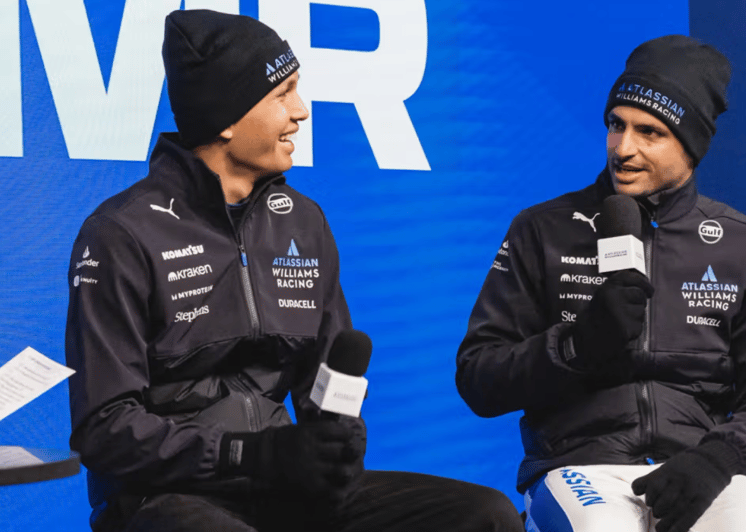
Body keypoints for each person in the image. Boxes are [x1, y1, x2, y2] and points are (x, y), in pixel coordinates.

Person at [65, 9, 523, 532]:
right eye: (283, 93)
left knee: (483, 516)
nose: (301, 111)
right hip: (167, 500)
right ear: (226, 118)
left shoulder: (303, 223)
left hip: (285, 491)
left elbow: (322, 383)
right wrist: (250, 454)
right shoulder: (121, 234)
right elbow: (104, 428)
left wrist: (335, 442)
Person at [456, 35, 746, 532]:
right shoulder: (542, 229)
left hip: (697, 471)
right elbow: (477, 378)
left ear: (692, 146)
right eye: (616, 125)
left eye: (650, 133)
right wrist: (577, 346)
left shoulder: (745, 244)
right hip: (578, 468)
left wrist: (717, 458)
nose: (624, 149)